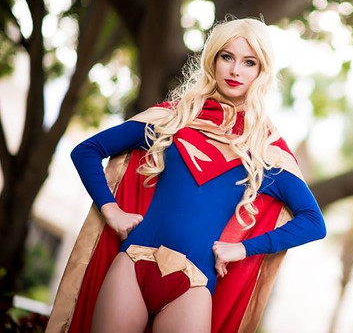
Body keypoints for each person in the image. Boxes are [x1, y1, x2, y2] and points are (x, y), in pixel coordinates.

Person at [47, 18, 327, 333]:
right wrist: (110, 209)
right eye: (227, 57)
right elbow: (87, 151)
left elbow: (313, 222)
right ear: (213, 60)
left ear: (262, 71)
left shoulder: (266, 151)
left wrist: (243, 248)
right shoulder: (173, 118)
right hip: (133, 266)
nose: (235, 70)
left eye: (249, 62)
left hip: (193, 288)